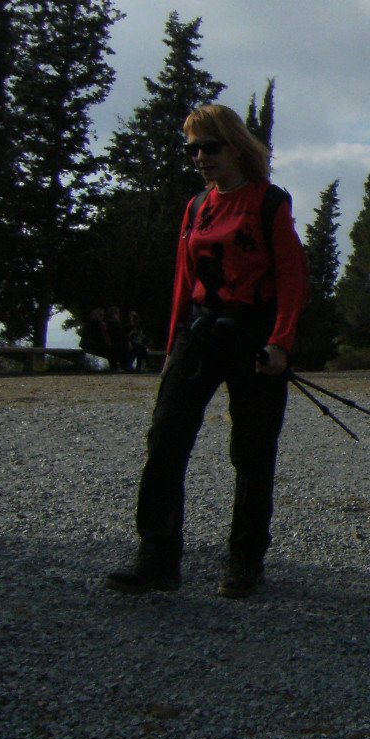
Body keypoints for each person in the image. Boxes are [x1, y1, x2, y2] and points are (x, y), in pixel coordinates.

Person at [104, 104, 308, 600]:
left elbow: (291, 275)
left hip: (253, 335)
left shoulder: (269, 203)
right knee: (166, 438)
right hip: (199, 334)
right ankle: (156, 557)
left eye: (209, 147)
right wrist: (174, 344)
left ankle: (245, 561)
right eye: (192, 148)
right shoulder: (196, 207)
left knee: (252, 452)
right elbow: (184, 279)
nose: (199, 157)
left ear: (236, 147)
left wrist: (280, 343)